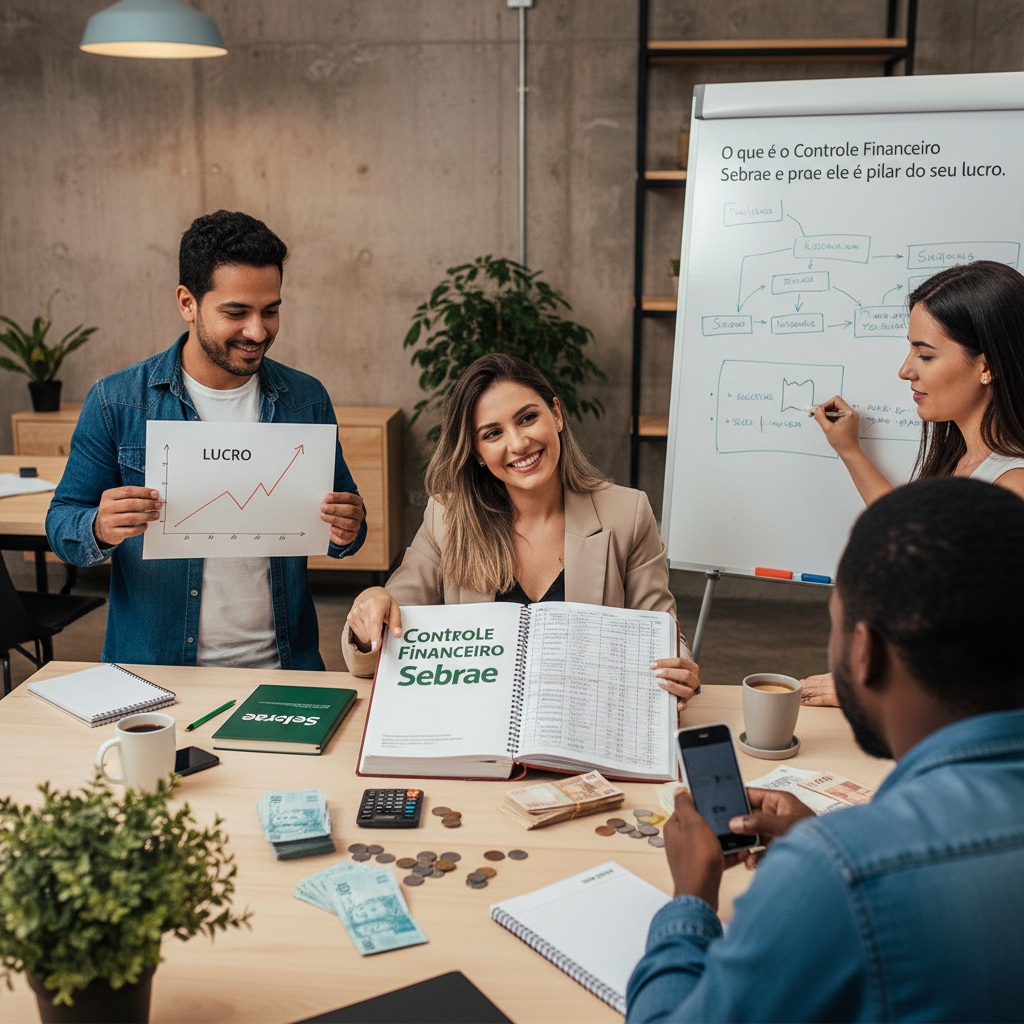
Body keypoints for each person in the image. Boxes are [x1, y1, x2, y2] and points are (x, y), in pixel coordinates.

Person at [626, 477, 1024, 1023]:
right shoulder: (841, 863)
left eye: (834, 624)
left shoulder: (840, 874)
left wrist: (691, 899)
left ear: (865, 652)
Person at [46, 210, 366, 670]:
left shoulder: (306, 399)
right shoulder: (117, 402)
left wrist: (348, 526)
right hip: (156, 671)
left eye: (271, 311)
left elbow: (347, 528)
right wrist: (98, 526)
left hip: (285, 670)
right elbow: (61, 523)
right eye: (236, 313)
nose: (258, 331)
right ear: (187, 303)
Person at [342, 353, 699, 707]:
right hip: (479, 724)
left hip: (583, 723)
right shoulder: (447, 518)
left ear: (556, 414)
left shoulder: (627, 513)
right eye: (493, 434)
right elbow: (378, 646)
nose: (518, 444)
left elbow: (661, 633)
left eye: (527, 418)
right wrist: (368, 615)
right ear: (478, 452)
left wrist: (678, 671)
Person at [803, 259, 1024, 706]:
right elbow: (910, 534)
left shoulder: (1013, 489)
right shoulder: (967, 462)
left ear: (986, 366)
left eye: (925, 355)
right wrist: (850, 451)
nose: (906, 370)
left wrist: (873, 688)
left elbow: (988, 655)